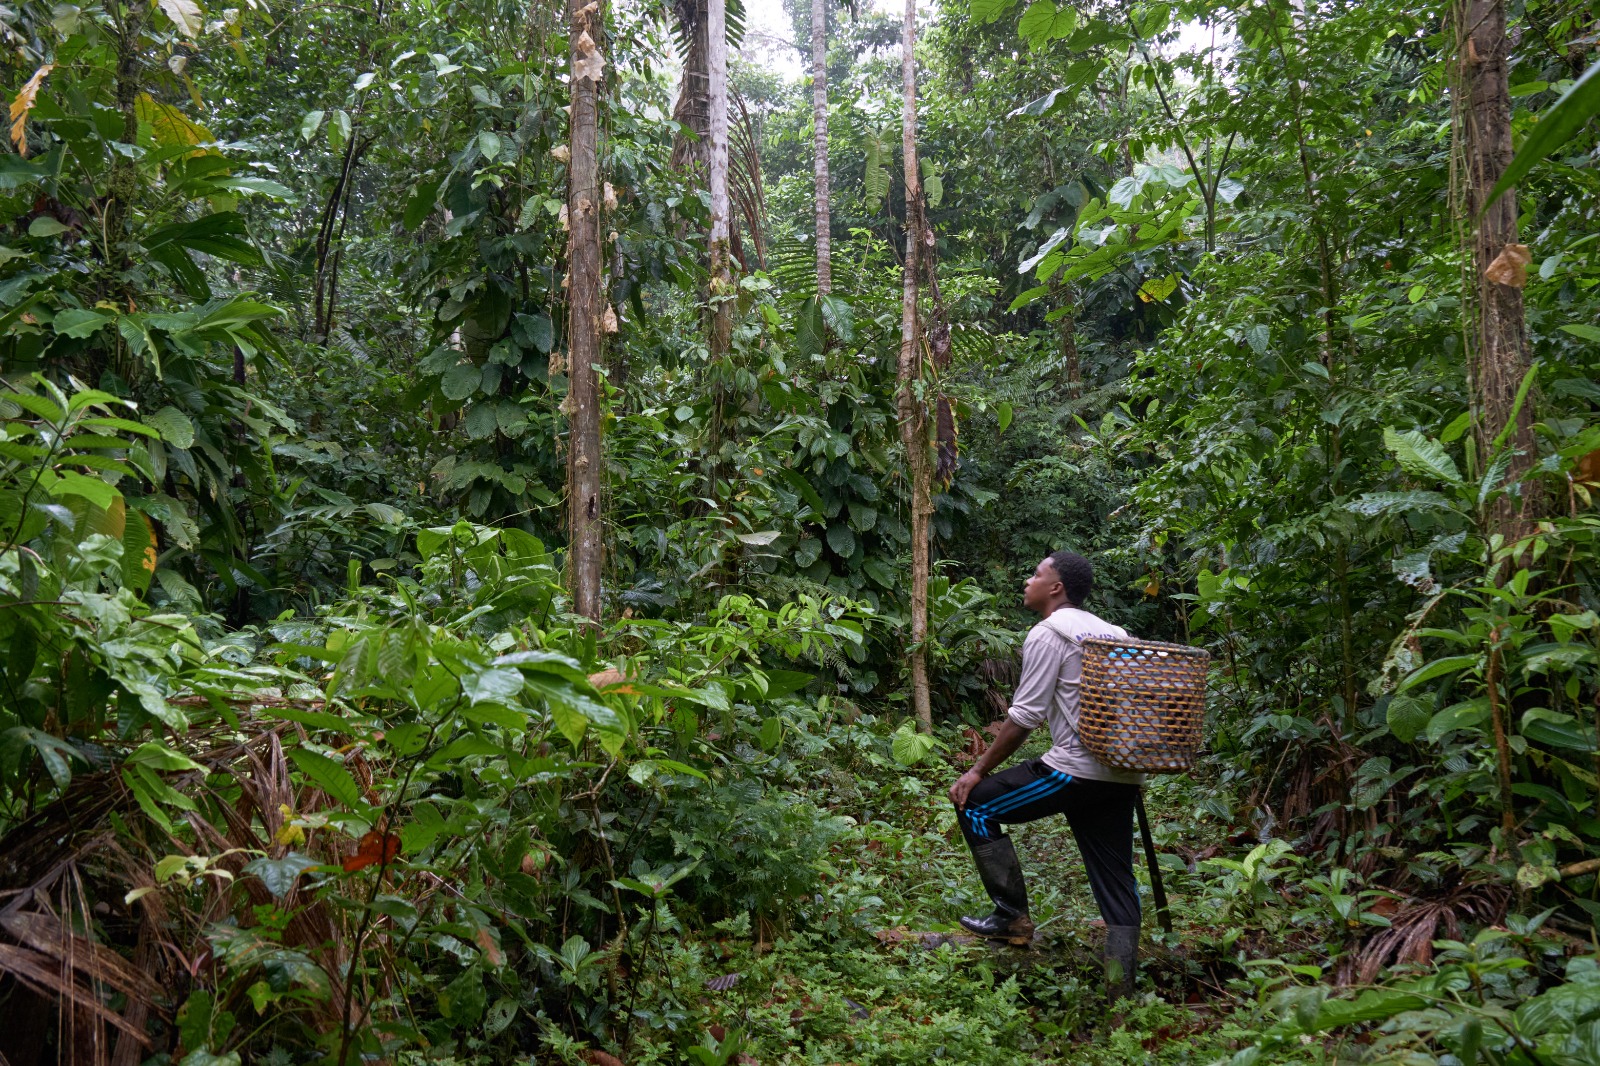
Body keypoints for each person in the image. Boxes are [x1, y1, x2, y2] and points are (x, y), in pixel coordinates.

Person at [948, 550, 1142, 1000]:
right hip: (1121, 774)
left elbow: (1024, 718)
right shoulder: (1115, 633)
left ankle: (1011, 916)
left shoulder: (1049, 632)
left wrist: (976, 770)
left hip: (1075, 769)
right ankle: (1123, 994)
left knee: (975, 804)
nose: (1028, 580)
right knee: (1115, 875)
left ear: (1056, 588)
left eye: (1036, 574)